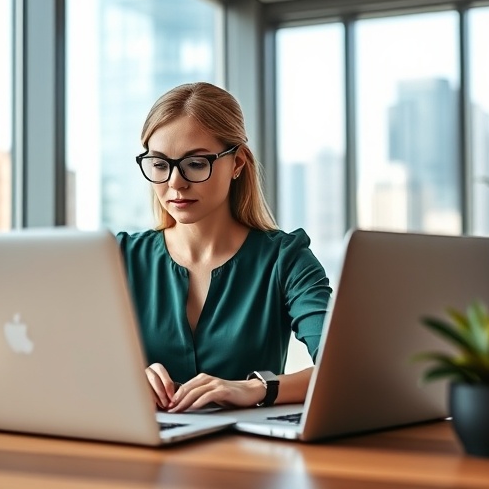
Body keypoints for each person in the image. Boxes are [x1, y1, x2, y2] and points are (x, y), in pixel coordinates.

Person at [116, 82, 333, 413]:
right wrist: (124, 378)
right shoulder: (119, 258)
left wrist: (255, 388)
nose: (175, 182)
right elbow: (68, 358)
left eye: (196, 163)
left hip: (246, 453)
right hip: (141, 448)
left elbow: (339, 370)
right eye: (160, 164)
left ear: (237, 163)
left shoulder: (285, 259)